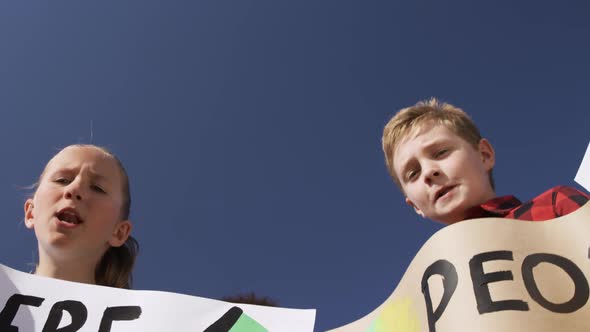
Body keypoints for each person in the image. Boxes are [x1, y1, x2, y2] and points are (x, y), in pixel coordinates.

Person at [382, 98, 590, 225]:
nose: (428, 172)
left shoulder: (554, 206)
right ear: (415, 207)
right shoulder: (429, 287)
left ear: (484, 155)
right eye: (413, 174)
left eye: (441, 152)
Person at [24, 144, 138, 288]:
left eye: (98, 188)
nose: (74, 189)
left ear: (119, 232)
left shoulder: (151, 311)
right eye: (62, 180)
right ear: (30, 212)